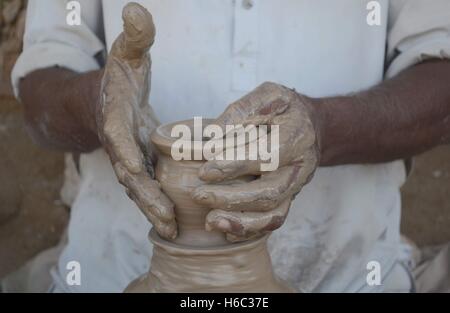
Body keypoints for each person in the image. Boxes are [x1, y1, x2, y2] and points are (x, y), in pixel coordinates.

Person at [4, 0, 450, 292]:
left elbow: (441, 71)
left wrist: (325, 128)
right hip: (114, 269)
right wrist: (97, 103)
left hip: (346, 275)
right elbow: (43, 83)